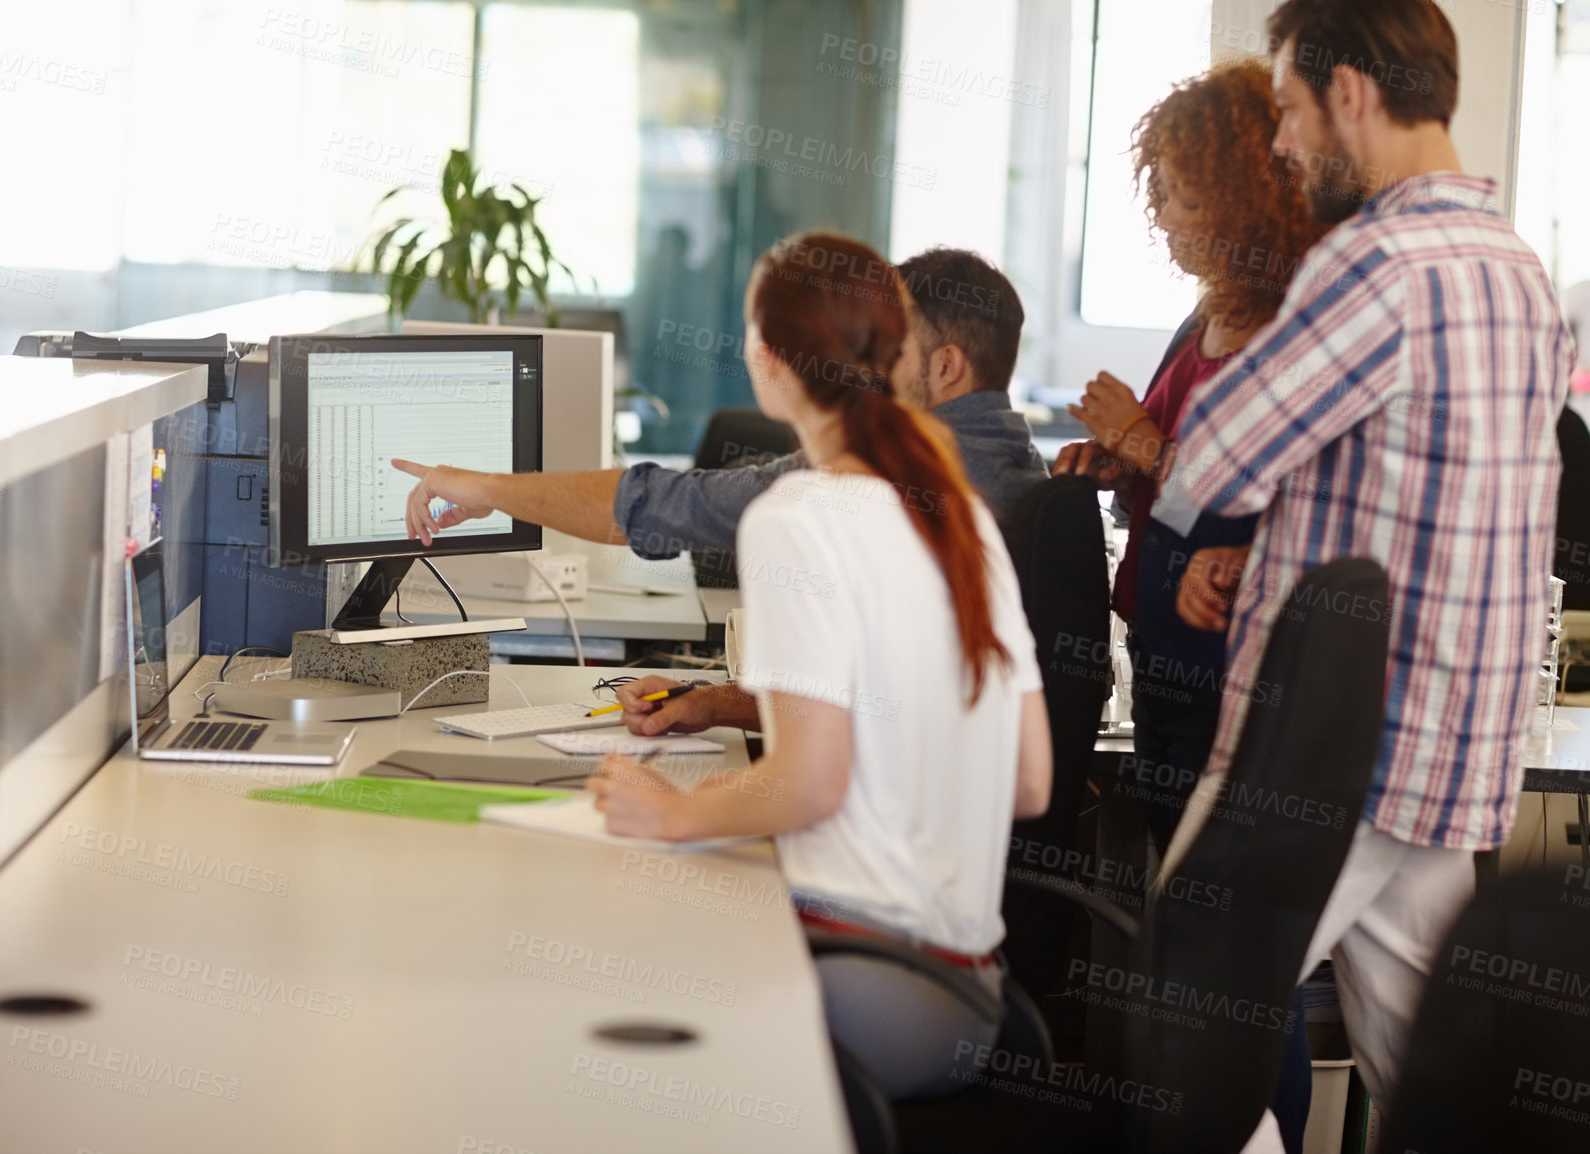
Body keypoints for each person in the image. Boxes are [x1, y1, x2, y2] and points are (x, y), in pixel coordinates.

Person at [1129, 1, 1572, 1138]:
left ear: (1351, 95)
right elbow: (1422, 486)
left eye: (1285, 108)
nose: (1278, 143)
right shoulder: (1514, 267)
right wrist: (1260, 540)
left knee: (1183, 1026)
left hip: (1331, 746)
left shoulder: (1377, 259)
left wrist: (1215, 512)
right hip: (1454, 739)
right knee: (1444, 1070)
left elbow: (1213, 456)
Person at [584, 231, 1053, 1102]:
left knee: (604, 977)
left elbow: (811, 781)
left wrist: (675, 811)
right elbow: (1028, 782)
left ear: (770, 362)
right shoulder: (962, 517)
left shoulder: (796, 517)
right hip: (972, 997)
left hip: (869, 990)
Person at [394, 247, 1046, 734]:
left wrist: (487, 487)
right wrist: (716, 702)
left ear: (945, 366)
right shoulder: (1030, 474)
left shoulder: (877, 480)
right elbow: (886, 711)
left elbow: (663, 506)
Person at [1055, 59, 1332, 1154]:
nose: (1162, 215)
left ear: (1241, 191)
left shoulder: (1294, 335)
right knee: (1188, 953)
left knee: (1236, 960)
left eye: (1177, 188)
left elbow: (1271, 510)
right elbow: (1175, 487)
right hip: (1164, 662)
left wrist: (1142, 443)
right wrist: (1113, 461)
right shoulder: (1199, 322)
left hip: (1234, 679)